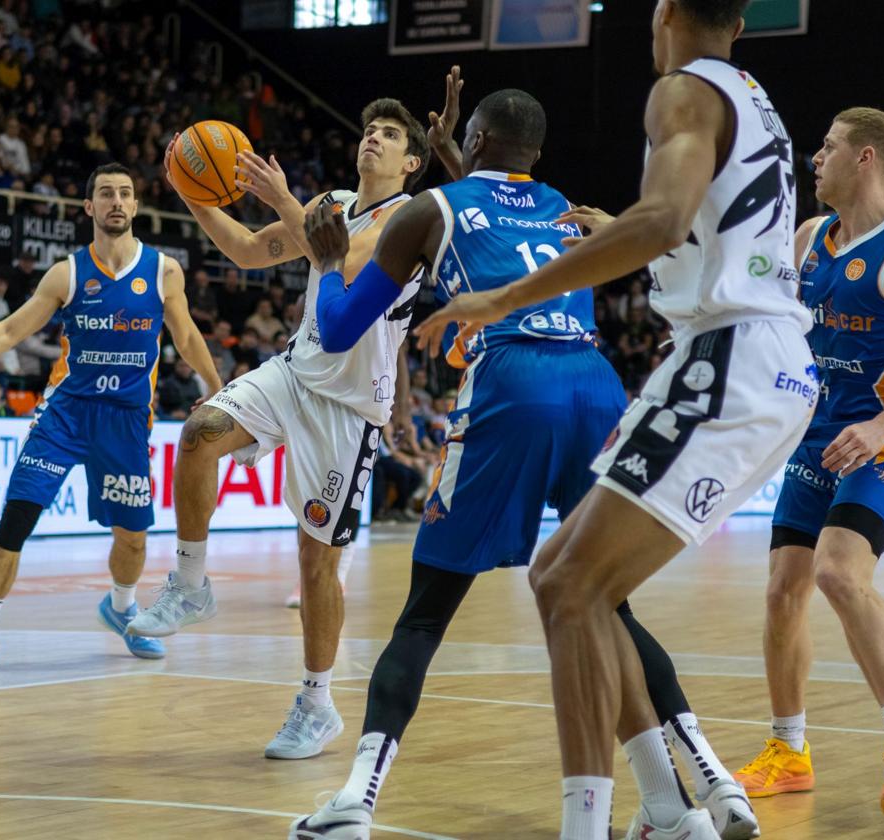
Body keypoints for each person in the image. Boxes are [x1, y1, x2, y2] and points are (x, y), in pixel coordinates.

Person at [292, 63, 766, 840]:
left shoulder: (425, 211)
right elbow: (492, 208)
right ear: (535, 154)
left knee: (424, 614)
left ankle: (354, 800)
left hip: (511, 384)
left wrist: (322, 263)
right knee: (606, 604)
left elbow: (343, 328)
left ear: (472, 138)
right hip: (597, 387)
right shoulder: (564, 207)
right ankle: (700, 789)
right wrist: (456, 153)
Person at [404, 4, 812, 837]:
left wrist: (504, 296)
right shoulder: (750, 93)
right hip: (759, 357)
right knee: (568, 575)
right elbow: (692, 228)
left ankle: (592, 825)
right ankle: (667, 812)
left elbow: (661, 217)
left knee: (568, 583)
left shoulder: (681, 91)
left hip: (728, 355)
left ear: (663, 12)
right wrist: (634, 235)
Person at [128, 98, 428, 762]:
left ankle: (317, 704)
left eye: (389, 135)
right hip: (294, 373)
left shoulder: (410, 217)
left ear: (410, 162)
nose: (372, 139)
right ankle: (191, 584)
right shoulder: (330, 201)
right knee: (200, 431)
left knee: (315, 565)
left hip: (349, 412)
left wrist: (288, 202)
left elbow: (347, 266)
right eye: (369, 129)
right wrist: (189, 188)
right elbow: (241, 247)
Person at [0, 163, 222, 669]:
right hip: (65, 413)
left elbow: (185, 337)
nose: (117, 201)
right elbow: (7, 332)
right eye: (106, 194)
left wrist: (216, 386)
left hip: (127, 418)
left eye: (126, 194)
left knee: (132, 539)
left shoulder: (163, 271)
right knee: (17, 517)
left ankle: (120, 608)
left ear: (136, 207)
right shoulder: (67, 272)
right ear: (89, 207)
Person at [732, 108, 884, 809]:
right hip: (815, 434)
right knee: (780, 590)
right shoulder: (807, 240)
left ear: (867, 158)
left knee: (836, 572)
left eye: (827, 147)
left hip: (880, 439)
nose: (814, 158)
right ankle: (788, 751)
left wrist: (883, 424)